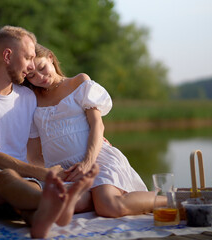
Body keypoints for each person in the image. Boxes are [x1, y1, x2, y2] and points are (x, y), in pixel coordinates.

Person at [0, 25, 99, 239]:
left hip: (21, 183)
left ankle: (44, 219)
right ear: (8, 55)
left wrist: (92, 136)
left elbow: (51, 131)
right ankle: (63, 201)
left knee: (29, 199)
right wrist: (46, 174)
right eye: (28, 58)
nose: (31, 67)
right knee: (8, 177)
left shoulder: (27, 98)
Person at [24, 44, 167, 218]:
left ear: (51, 59)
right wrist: (50, 174)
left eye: (42, 67)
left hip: (96, 160)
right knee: (56, 207)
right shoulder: (30, 100)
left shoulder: (79, 82)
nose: (40, 76)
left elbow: (97, 124)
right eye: (32, 75)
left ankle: (172, 199)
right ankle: (99, 195)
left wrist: (87, 162)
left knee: (109, 207)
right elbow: (33, 154)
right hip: (66, 174)